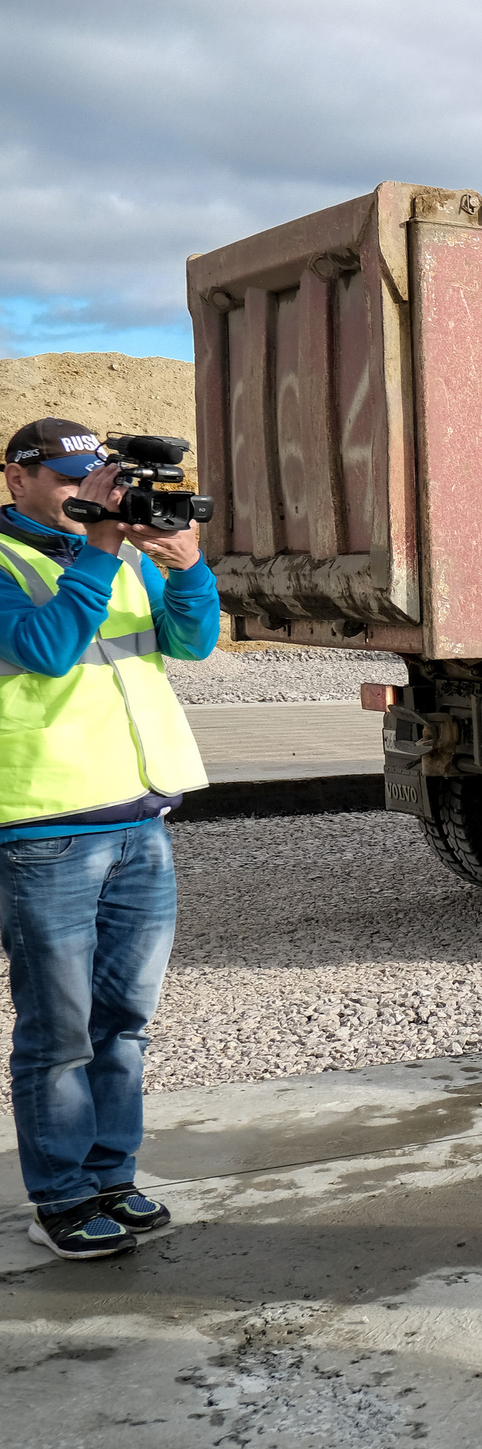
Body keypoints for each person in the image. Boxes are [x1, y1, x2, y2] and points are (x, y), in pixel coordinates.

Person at [0, 417, 216, 1260]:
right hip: (46, 831)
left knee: (123, 1022)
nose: (87, 493)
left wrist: (188, 564)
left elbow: (192, 641)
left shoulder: (122, 557)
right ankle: (59, 1197)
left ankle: (112, 1179)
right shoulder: (20, 561)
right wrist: (96, 545)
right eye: (65, 478)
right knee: (57, 1031)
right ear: (16, 476)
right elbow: (45, 649)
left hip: (140, 821)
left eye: (97, 479)